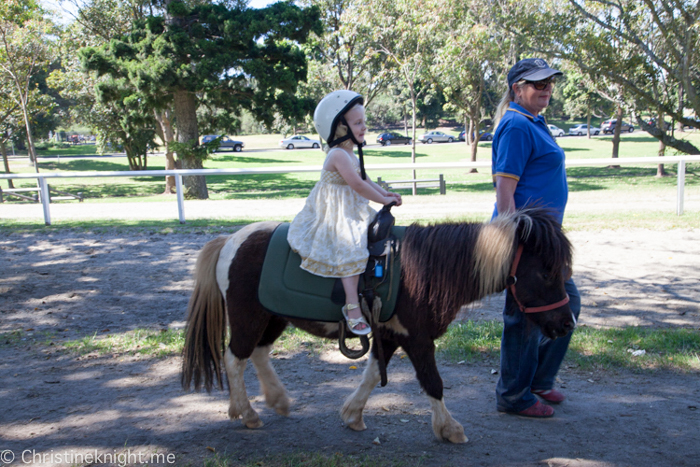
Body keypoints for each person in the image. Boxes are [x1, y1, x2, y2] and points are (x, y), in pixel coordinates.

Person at [491, 58, 582, 418]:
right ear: (517, 89)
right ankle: (514, 395)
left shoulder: (534, 121)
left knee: (567, 304)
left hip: (543, 240)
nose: (545, 89)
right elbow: (504, 191)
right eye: (537, 84)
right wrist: (514, 241)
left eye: (549, 83)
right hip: (525, 241)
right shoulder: (515, 125)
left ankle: (538, 380)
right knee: (524, 317)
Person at [288, 90, 402, 336]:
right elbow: (357, 185)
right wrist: (383, 199)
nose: (364, 128)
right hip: (333, 212)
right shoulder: (338, 154)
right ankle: (351, 306)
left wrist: (386, 194)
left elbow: (366, 179)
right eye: (358, 123)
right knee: (349, 245)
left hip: (351, 207)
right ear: (340, 126)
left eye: (364, 122)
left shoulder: (350, 152)